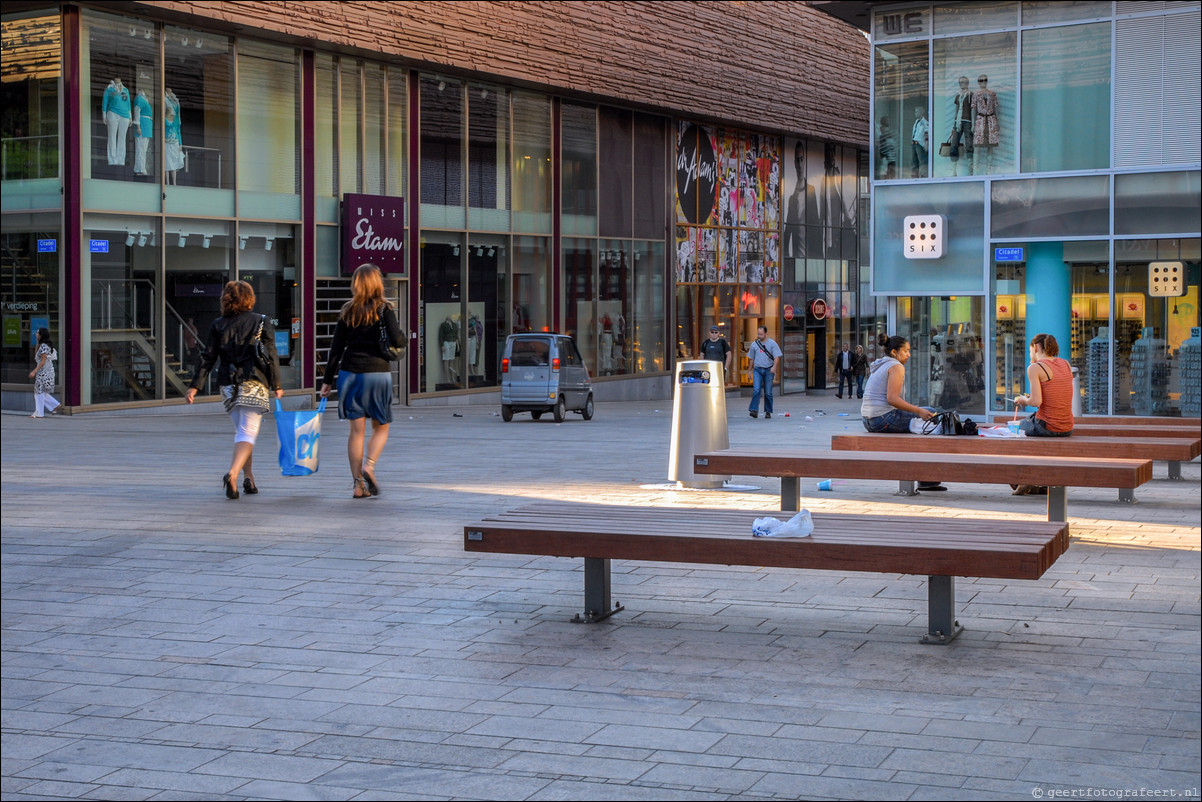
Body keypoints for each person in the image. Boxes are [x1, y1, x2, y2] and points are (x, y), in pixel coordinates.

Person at [185, 280, 283, 500]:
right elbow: (272, 355)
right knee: (248, 433)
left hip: (228, 385)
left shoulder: (218, 324)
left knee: (243, 432)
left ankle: (248, 479)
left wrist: (194, 386)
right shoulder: (261, 322)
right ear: (249, 298)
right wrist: (277, 384)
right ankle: (233, 474)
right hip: (253, 382)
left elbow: (208, 357)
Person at [320, 263, 405, 499]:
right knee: (382, 426)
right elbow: (397, 338)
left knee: (356, 432)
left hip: (350, 375)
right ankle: (369, 465)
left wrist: (327, 381)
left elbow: (336, 349)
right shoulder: (384, 308)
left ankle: (358, 485)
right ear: (377, 283)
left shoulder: (348, 311)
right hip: (377, 374)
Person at [860, 333, 944, 491]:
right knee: (932, 414)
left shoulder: (880, 365)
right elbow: (892, 399)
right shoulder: (896, 367)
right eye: (905, 351)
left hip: (868, 420)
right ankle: (928, 479)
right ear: (894, 352)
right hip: (883, 418)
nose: (909, 354)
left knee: (926, 417)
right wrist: (918, 411)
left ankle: (927, 478)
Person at [1011, 333, 1074, 495]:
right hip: (1066, 426)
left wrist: (1024, 400)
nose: (1030, 354)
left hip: (1048, 425)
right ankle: (1034, 481)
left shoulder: (1035, 368)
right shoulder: (1065, 364)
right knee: (1028, 424)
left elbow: (1036, 402)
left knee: (1012, 430)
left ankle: (1021, 478)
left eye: (1030, 350)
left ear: (1036, 347)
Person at [747, 326, 782, 419]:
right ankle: (754, 410)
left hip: (768, 369)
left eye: (761, 334)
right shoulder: (754, 344)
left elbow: (777, 357)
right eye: (758, 334)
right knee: (756, 390)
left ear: (766, 333)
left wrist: (774, 367)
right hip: (757, 369)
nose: (759, 336)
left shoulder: (772, 344)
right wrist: (749, 371)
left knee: (768, 392)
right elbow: (751, 359)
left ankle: (768, 411)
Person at [28, 327, 62, 417]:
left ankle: (39, 412)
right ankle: (55, 405)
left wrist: (34, 371)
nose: (36, 334)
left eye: (38, 333)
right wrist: (37, 342)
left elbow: (42, 361)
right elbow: (37, 356)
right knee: (40, 391)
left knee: (39, 391)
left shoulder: (44, 346)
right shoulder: (43, 345)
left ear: (41, 335)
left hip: (44, 372)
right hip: (45, 371)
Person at [948, 75, 974, 175]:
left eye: (963, 82)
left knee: (969, 144)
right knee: (954, 143)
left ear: (967, 83)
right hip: (958, 121)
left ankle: (970, 168)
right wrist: (954, 123)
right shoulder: (958, 95)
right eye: (960, 83)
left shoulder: (971, 95)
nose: (961, 84)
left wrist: (973, 123)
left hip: (967, 121)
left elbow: (973, 109)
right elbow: (956, 109)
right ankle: (954, 169)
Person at [910, 105, 929, 178]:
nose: (915, 113)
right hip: (914, 143)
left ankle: (923, 176)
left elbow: (927, 133)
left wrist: (927, 144)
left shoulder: (925, 122)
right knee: (914, 161)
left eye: (917, 111)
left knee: (922, 161)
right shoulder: (916, 122)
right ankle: (914, 176)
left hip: (920, 144)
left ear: (921, 112)